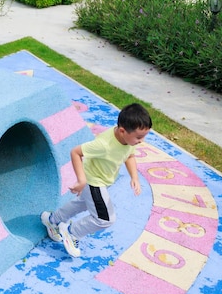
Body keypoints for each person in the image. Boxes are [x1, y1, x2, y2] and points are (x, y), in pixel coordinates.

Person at [41, 103, 152, 258]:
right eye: (139, 137)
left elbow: (130, 155)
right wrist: (81, 180)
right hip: (94, 182)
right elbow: (76, 152)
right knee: (105, 218)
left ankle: (52, 219)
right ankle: (72, 232)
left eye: (144, 136)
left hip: (101, 180)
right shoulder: (104, 145)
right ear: (122, 131)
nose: (142, 141)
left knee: (82, 204)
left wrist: (134, 177)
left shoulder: (128, 140)